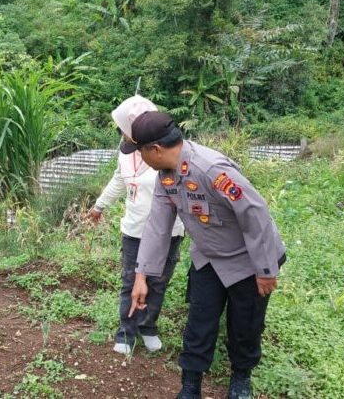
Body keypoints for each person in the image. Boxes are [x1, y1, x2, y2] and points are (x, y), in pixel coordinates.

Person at [125, 112, 286, 399]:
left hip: (248, 259)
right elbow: (157, 227)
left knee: (245, 324)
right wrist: (141, 276)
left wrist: (265, 269)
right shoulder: (166, 177)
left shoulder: (211, 169)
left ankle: (241, 378)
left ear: (155, 150)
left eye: (139, 152)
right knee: (199, 321)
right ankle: (190, 385)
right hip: (209, 257)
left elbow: (255, 213)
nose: (139, 159)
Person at [88, 95, 184, 355]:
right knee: (131, 281)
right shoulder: (126, 152)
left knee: (158, 281)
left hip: (168, 232)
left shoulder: (165, 151)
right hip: (134, 229)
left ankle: (148, 326)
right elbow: (119, 181)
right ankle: (126, 332)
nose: (122, 133)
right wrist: (99, 207)